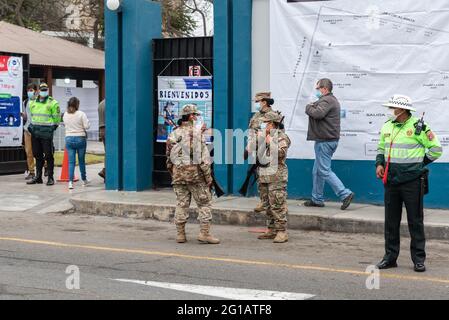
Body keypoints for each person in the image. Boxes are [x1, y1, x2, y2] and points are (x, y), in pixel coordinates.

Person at [375, 95, 442, 272]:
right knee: (391, 221)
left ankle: (418, 259)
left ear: (402, 110)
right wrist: (379, 163)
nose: (390, 111)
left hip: (412, 182)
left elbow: (436, 149)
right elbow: (381, 147)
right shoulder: (387, 126)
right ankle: (390, 257)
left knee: (415, 221)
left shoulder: (419, 128)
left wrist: (419, 165)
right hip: (391, 181)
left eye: (393, 108)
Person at [166, 104, 220, 245]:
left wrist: (174, 172)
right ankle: (204, 233)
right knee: (204, 203)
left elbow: (168, 158)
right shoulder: (196, 134)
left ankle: (180, 235)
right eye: (195, 115)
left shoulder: (174, 133)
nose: (196, 117)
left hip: (178, 175)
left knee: (182, 204)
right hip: (195, 176)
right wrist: (208, 178)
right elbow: (203, 160)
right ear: (190, 116)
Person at [303, 78, 354, 210]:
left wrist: (308, 106)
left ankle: (345, 194)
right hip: (326, 140)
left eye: (318, 88)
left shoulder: (327, 100)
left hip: (325, 141)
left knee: (324, 170)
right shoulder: (330, 100)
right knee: (317, 171)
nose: (317, 91)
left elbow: (318, 113)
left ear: (324, 89)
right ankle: (317, 199)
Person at [255, 112, 291, 243]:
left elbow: (281, 153)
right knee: (267, 204)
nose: (264, 125)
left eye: (266, 123)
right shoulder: (264, 136)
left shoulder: (282, 137)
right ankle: (271, 229)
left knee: (277, 204)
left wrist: (271, 143)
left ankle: (281, 231)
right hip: (264, 175)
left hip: (277, 176)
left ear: (272, 124)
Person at [247, 92, 280, 214]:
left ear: (264, 102)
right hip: (257, 150)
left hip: (268, 151)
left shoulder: (273, 116)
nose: (256, 104)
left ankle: (280, 203)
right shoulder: (256, 115)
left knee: (273, 180)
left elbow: (277, 134)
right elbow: (252, 132)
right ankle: (263, 201)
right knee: (260, 177)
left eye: (257, 102)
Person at [27, 83, 60, 186]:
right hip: (35, 133)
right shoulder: (32, 103)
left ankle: (50, 177)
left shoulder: (53, 103)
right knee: (37, 155)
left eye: (45, 89)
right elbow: (31, 117)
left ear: (48, 90)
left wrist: (52, 128)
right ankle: (38, 177)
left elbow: (57, 119)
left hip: (46, 133)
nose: (44, 91)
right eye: (42, 89)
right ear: (39, 90)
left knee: (49, 155)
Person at [63, 97, 91, 190]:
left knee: (71, 162)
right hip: (80, 138)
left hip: (69, 139)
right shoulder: (81, 114)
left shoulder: (65, 114)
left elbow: (65, 125)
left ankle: (70, 182)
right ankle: (84, 180)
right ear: (77, 105)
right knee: (81, 161)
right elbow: (87, 126)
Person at [22, 83, 37, 180]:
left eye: (31, 90)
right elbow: (26, 116)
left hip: (37, 130)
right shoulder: (25, 102)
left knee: (39, 151)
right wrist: (22, 115)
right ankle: (31, 172)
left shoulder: (40, 101)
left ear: (36, 91)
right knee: (29, 152)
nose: (29, 92)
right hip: (27, 130)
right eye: (28, 90)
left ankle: (45, 168)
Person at [98, 99, 106, 181]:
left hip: (102, 129)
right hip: (108, 128)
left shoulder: (101, 104)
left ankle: (105, 171)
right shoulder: (110, 103)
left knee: (107, 152)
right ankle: (105, 171)